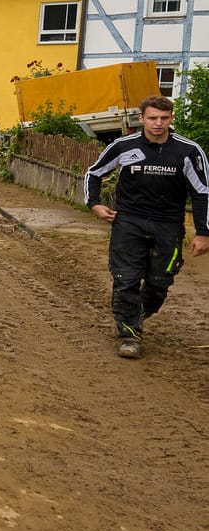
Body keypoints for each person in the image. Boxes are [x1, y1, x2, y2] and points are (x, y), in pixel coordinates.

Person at [82, 94, 209, 358]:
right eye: (152, 118)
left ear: (172, 119)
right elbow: (94, 173)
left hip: (168, 225)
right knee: (125, 279)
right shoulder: (123, 146)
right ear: (142, 119)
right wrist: (93, 203)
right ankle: (130, 335)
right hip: (128, 221)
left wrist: (204, 232)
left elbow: (202, 192)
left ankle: (132, 315)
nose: (158, 123)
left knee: (159, 283)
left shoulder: (188, 151)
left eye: (164, 118)